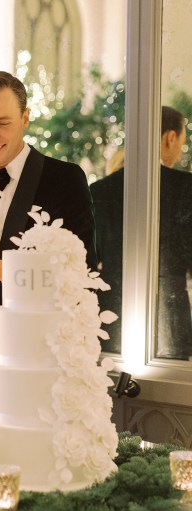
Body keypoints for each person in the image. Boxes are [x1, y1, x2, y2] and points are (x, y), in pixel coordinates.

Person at [0, 71, 97, 396]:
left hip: (40, 349)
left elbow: (84, 270)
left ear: (25, 118)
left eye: (3, 122)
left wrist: (1, 271)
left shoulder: (65, 179)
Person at [91, 106, 192, 358]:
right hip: (169, 321)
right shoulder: (186, 188)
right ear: (170, 137)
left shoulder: (98, 190)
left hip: (109, 314)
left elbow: (90, 260)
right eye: (181, 142)